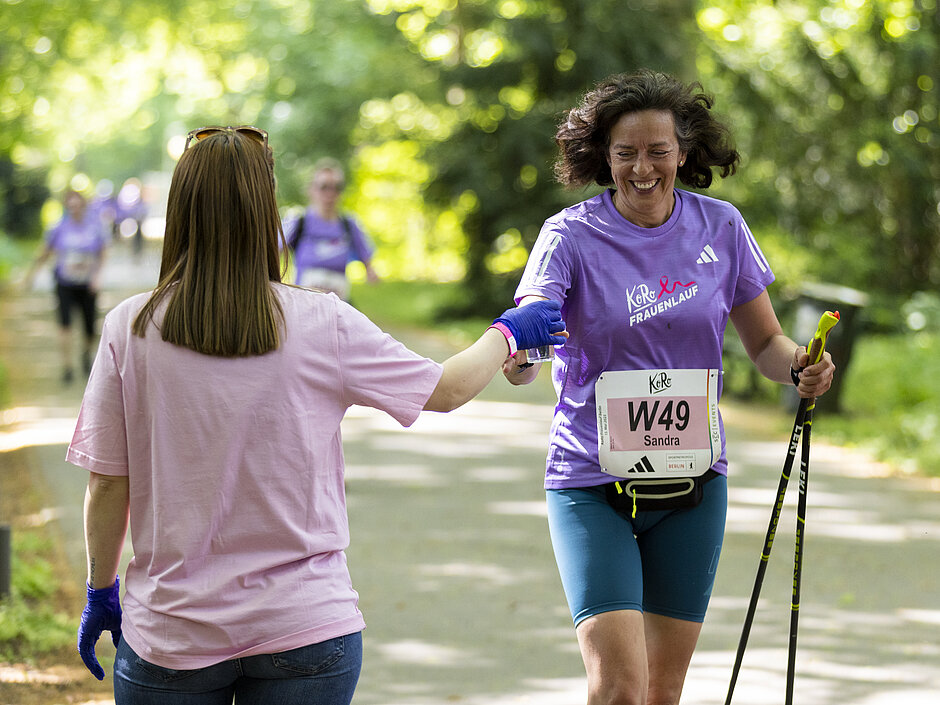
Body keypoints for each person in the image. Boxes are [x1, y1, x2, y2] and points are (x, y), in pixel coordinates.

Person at [69, 125, 565, 704]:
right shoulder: (321, 322)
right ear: (268, 213)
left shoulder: (130, 327)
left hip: (171, 636)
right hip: (305, 630)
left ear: (180, 210)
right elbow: (446, 389)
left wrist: (100, 590)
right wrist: (508, 333)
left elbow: (108, 482)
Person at [503, 69, 835, 705]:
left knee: (662, 692)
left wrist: (801, 364)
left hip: (693, 485)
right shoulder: (568, 237)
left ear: (684, 152)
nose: (642, 169)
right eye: (626, 153)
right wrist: (519, 358)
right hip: (590, 482)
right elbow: (532, 332)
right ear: (604, 157)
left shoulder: (722, 227)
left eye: (658, 151)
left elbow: (766, 345)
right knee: (618, 691)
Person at [25, 189, 108, 383]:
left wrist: (97, 276)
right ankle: (67, 367)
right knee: (65, 324)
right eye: (71, 206)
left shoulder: (95, 226)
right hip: (64, 283)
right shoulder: (59, 227)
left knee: (89, 327)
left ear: (83, 205)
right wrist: (30, 276)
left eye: (78, 205)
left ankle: (86, 355)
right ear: (66, 206)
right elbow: (45, 252)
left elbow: (103, 252)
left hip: (87, 285)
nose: (74, 209)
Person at [284, 157, 378, 301]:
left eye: (337, 187)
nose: (330, 193)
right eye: (324, 187)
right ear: (311, 189)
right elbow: (272, 254)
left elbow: (369, 265)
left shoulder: (349, 224)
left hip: (339, 303)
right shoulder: (298, 221)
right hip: (304, 301)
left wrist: (371, 273)